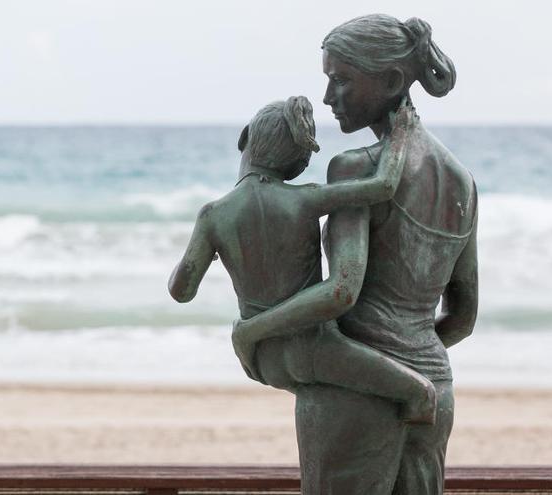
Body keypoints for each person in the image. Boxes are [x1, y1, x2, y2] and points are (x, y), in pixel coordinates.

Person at [233, 15, 477, 494]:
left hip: (352, 397)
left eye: (340, 79)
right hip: (436, 390)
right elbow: (463, 317)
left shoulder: (353, 168)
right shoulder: (462, 181)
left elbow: (342, 291)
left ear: (389, 81)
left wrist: (252, 331)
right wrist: (408, 365)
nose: (328, 97)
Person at [169, 96, 436, 423]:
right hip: (314, 349)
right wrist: (401, 137)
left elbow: (181, 291)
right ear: (297, 164)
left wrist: (209, 248)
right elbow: (383, 186)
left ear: (244, 137)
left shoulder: (212, 215)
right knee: (422, 393)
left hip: (264, 361)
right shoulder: (304, 198)